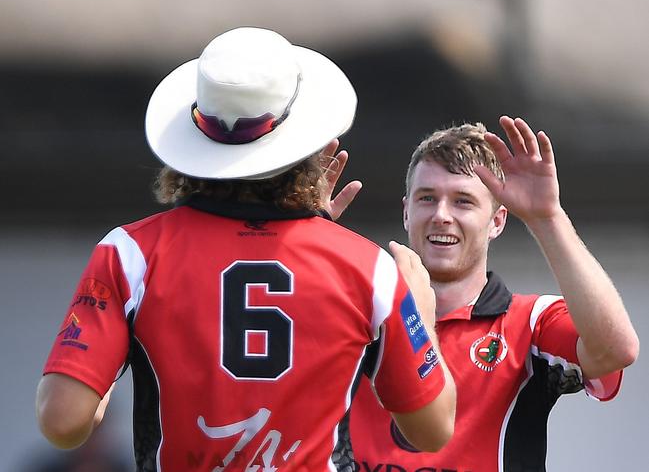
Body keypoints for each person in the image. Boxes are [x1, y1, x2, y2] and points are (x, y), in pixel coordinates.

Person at [35, 27, 456, 472]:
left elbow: (62, 423)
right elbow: (432, 430)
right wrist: (421, 314)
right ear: (309, 143)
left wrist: (103, 378)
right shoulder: (368, 268)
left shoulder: (129, 254)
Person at [334, 118, 639, 471]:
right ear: (406, 211)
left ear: (497, 221)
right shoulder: (354, 317)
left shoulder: (531, 323)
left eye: (463, 202)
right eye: (427, 198)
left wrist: (547, 217)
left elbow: (617, 349)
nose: (441, 215)